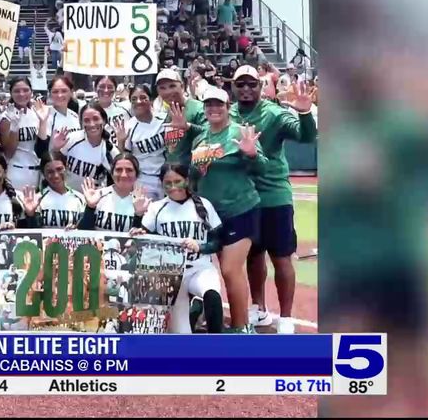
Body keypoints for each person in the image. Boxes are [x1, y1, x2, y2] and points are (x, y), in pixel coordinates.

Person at [169, 85, 268, 333]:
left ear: (228, 107)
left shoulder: (239, 132)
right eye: (209, 105)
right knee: (210, 268)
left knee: (230, 269)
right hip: (210, 217)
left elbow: (262, 169)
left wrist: (252, 154)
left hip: (239, 211)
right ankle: (212, 316)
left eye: (219, 104)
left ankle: (241, 326)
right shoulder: (202, 136)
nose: (214, 108)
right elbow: (186, 161)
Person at [229, 66, 318, 334]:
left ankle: (287, 317)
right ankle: (259, 308)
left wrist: (304, 113)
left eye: (251, 84)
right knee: (253, 257)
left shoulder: (274, 113)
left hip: (274, 196)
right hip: (244, 197)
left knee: (281, 258)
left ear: (261, 86)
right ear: (233, 87)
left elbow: (306, 136)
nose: (246, 89)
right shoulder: (228, 113)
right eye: (240, 84)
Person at [130, 163, 224, 333]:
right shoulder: (157, 208)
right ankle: (195, 309)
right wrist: (137, 219)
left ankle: (216, 345)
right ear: (162, 184)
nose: (173, 187)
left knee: (212, 294)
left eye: (178, 181)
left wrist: (200, 247)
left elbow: (218, 242)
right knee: (182, 335)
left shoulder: (203, 205)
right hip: (171, 276)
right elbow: (140, 241)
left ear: (187, 180)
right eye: (168, 183)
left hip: (199, 269)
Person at [45, 102, 120, 191]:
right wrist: (56, 148)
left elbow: (120, 175)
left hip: (92, 199)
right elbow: (52, 165)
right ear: (81, 123)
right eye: (86, 120)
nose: (92, 124)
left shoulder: (109, 149)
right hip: (69, 196)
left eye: (96, 119)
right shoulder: (72, 139)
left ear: (104, 120)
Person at [115, 84, 168, 201]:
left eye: (143, 97)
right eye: (134, 99)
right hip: (144, 179)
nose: (139, 101)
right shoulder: (128, 127)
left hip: (167, 176)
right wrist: (121, 141)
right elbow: (124, 158)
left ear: (151, 99)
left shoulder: (164, 119)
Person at [77, 153, 151, 233]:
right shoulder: (97, 196)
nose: (123, 175)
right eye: (118, 170)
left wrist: (139, 215)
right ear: (112, 174)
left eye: (129, 170)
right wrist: (90, 207)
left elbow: (142, 239)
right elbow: (83, 233)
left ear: (137, 174)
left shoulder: (144, 203)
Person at [0, 77, 45, 189]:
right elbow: (8, 153)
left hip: (36, 170)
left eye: (25, 90)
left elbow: (42, 146)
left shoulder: (36, 113)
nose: (21, 94)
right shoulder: (7, 117)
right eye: (16, 91)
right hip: (16, 171)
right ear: (11, 93)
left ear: (31, 91)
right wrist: (15, 127)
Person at [24, 151, 86, 228]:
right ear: (43, 174)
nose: (56, 175)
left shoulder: (80, 198)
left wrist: (76, 229)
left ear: (66, 168)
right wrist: (31, 214)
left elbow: (85, 230)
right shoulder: (37, 200)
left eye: (59, 169)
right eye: (50, 172)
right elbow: (35, 233)